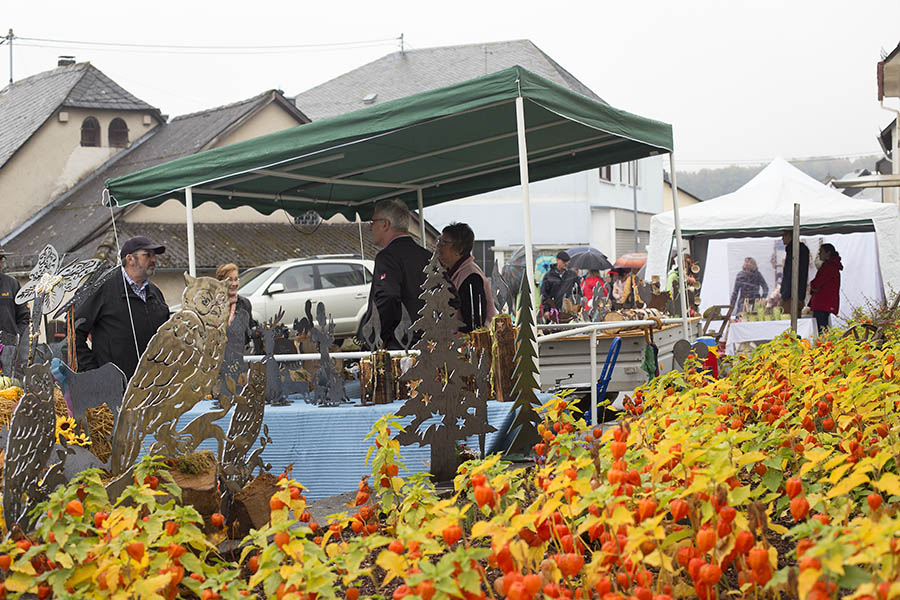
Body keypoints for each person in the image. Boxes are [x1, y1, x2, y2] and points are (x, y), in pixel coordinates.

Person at [75, 236, 170, 379]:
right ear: (130, 258)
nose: (154, 260)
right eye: (147, 255)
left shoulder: (155, 293)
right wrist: (93, 370)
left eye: (154, 256)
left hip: (152, 384)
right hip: (114, 385)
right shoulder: (104, 288)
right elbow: (75, 331)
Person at [357, 199, 431, 350]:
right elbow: (451, 296)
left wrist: (377, 336)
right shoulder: (427, 256)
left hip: (400, 346)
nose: (371, 228)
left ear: (385, 224)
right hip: (430, 343)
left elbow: (388, 297)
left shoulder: (387, 257)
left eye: (373, 222)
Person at [436, 223, 497, 333]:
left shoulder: (471, 277)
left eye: (444, 242)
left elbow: (474, 325)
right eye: (439, 240)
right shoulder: (452, 272)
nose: (438, 246)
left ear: (459, 249)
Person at [216, 263, 257, 344]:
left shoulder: (245, 303)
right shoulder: (213, 303)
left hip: (239, 352)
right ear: (221, 282)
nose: (234, 284)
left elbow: (250, 330)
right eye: (230, 280)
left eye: (236, 279)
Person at [808, 243, 842, 333]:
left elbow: (817, 283)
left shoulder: (829, 266)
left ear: (828, 253)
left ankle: (825, 345)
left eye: (821, 252)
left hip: (822, 302)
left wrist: (812, 285)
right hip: (826, 302)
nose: (819, 254)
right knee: (824, 327)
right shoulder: (832, 265)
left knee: (822, 329)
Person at [0, 246, 29, 340]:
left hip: (9, 349)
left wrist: (17, 336)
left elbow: (24, 317)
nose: (0, 262)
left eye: (1, 258)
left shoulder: (12, 284)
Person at [540, 251, 579, 320]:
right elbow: (544, 295)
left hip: (570, 313)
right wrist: (546, 311)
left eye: (567, 261)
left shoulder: (573, 275)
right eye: (564, 261)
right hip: (554, 313)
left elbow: (578, 292)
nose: (566, 263)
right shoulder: (548, 276)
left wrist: (577, 307)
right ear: (557, 260)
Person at [780, 230, 810, 315]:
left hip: (792, 295)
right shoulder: (798, 249)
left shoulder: (795, 250)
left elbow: (790, 274)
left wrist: (785, 293)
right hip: (797, 293)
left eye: (784, 235)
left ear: (789, 235)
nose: (782, 238)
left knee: (788, 320)